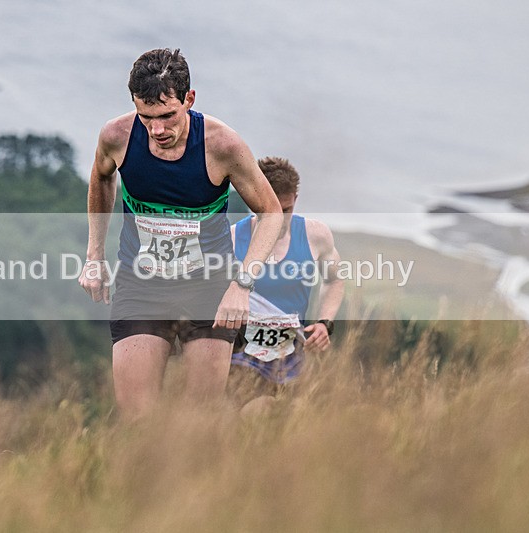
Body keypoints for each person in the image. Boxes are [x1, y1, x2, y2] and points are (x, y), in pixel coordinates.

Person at [78, 48, 282, 420]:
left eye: (168, 116)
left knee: (198, 420)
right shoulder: (117, 136)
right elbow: (102, 176)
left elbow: (271, 213)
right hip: (141, 284)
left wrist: (241, 286)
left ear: (189, 99)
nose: (157, 130)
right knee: (138, 418)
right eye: (147, 117)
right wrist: (94, 256)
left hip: (208, 288)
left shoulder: (223, 146)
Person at [229, 156, 344, 410]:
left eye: (286, 210)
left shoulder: (315, 236)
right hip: (240, 361)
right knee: (254, 415)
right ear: (252, 199)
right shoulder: (234, 239)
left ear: (295, 200)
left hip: (289, 362)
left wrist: (325, 324)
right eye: (268, 209)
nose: (278, 219)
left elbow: (335, 280)